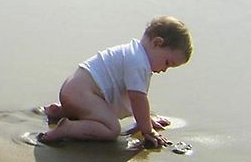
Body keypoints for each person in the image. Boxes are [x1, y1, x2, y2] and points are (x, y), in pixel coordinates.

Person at [39, 16, 193, 148]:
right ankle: (68, 128)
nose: (165, 70)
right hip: (82, 93)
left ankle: (61, 111)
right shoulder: (139, 63)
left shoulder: (131, 52)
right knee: (111, 129)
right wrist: (147, 130)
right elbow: (138, 99)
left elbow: (130, 100)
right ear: (157, 43)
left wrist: (147, 119)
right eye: (167, 63)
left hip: (75, 90)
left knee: (101, 112)